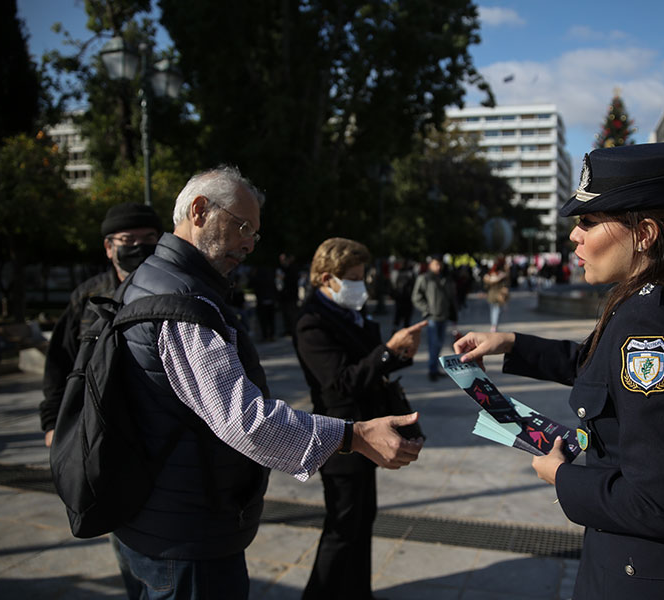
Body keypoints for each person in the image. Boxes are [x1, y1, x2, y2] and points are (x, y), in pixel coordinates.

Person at [453, 142, 664, 599]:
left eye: (589, 222)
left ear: (646, 232)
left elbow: (657, 504)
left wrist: (562, 475)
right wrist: (512, 344)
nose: (575, 236)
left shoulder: (649, 325)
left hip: (654, 580)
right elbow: (599, 367)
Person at [108, 166, 423, 599]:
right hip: (185, 528)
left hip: (163, 515)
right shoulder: (180, 300)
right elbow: (246, 420)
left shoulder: (154, 281)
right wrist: (354, 435)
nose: (249, 244)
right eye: (242, 227)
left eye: (255, 234)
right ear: (199, 211)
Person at [294, 237, 426, 599]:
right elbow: (339, 383)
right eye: (352, 277)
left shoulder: (350, 314)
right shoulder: (312, 323)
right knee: (342, 527)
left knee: (362, 519)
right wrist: (386, 352)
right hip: (341, 437)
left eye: (361, 276)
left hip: (368, 430)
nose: (359, 285)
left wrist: (399, 353)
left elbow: (367, 368)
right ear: (326, 279)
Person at [38, 203, 163, 447]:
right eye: (128, 240)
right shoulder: (88, 298)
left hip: (160, 425)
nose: (139, 246)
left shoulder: (174, 293)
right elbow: (59, 361)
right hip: (96, 425)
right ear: (109, 247)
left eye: (149, 238)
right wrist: (53, 423)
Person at [412, 255, 458, 381]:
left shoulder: (445, 278)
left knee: (439, 345)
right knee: (433, 344)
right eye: (435, 264)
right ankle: (432, 370)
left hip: (444, 316)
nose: (438, 267)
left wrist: (453, 312)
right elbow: (416, 297)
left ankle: (436, 368)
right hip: (432, 317)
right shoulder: (425, 278)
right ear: (430, 265)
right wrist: (427, 309)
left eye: (440, 264)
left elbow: (451, 297)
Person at [482, 256, 510, 332]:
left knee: (493, 310)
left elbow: (486, 286)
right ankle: (494, 325)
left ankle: (493, 325)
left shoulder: (489, 276)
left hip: (491, 294)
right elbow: (506, 284)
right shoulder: (502, 275)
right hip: (497, 295)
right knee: (496, 310)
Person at [390, 258, 415, 331]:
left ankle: (397, 331)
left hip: (402, 299)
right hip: (404, 299)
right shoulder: (410, 273)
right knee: (403, 318)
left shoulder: (398, 273)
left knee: (399, 317)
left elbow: (393, 286)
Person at [278, 252, 300, 336]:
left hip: (291, 295)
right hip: (284, 296)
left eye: (283, 259)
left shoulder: (292, 269)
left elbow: (293, 281)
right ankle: (288, 330)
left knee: (292, 313)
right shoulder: (281, 269)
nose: (282, 261)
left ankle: (294, 329)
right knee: (285, 314)